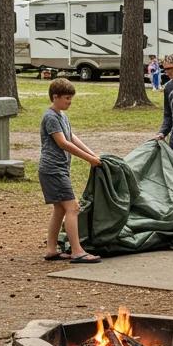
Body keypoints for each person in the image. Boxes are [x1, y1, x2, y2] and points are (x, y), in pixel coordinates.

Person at [39, 77, 102, 264]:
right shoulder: (50, 116)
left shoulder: (62, 116)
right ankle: (77, 251)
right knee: (72, 208)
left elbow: (72, 137)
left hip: (59, 169)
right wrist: (89, 159)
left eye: (70, 98)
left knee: (60, 209)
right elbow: (63, 143)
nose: (69, 102)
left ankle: (51, 249)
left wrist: (93, 154)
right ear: (55, 97)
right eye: (66, 98)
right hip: (53, 169)